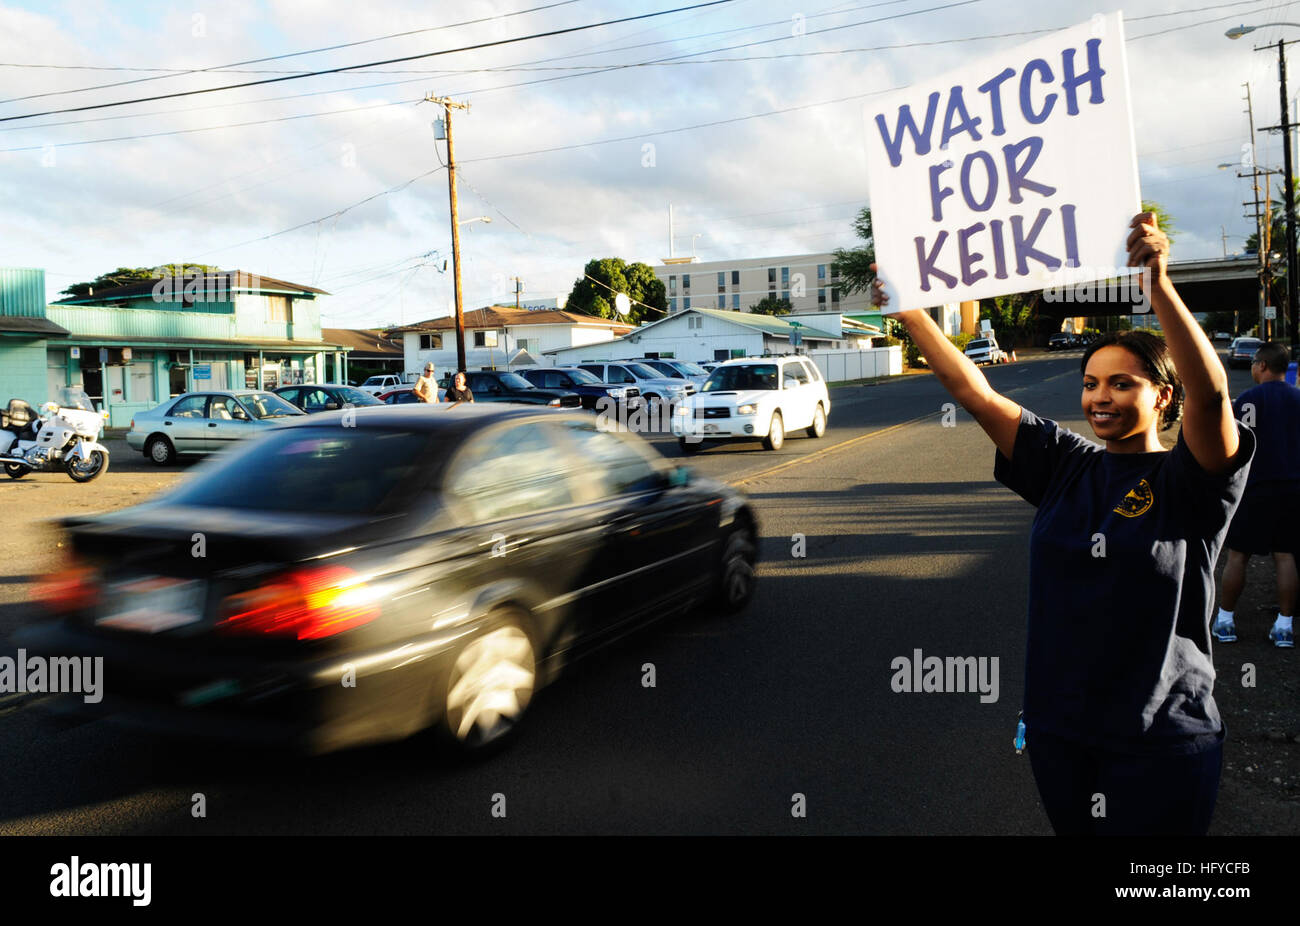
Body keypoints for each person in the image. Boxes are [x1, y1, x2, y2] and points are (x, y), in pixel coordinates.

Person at [872, 212, 1254, 836]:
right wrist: (913, 313)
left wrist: (1157, 287)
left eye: (1121, 384)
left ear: (1163, 395)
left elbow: (1210, 397)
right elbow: (976, 393)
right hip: (1061, 734)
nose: (1099, 397)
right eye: (1090, 384)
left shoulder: (1192, 479)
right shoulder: (1066, 466)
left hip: (1160, 740)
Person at [1213, 341, 1300, 648]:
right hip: (1292, 489)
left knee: (1238, 556)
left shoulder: (1249, 400)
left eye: (1253, 364)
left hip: (1254, 489)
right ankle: (1284, 628)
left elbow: (1233, 443)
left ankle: (1225, 622)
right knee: (1285, 556)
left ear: (1262, 365)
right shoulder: (1297, 398)